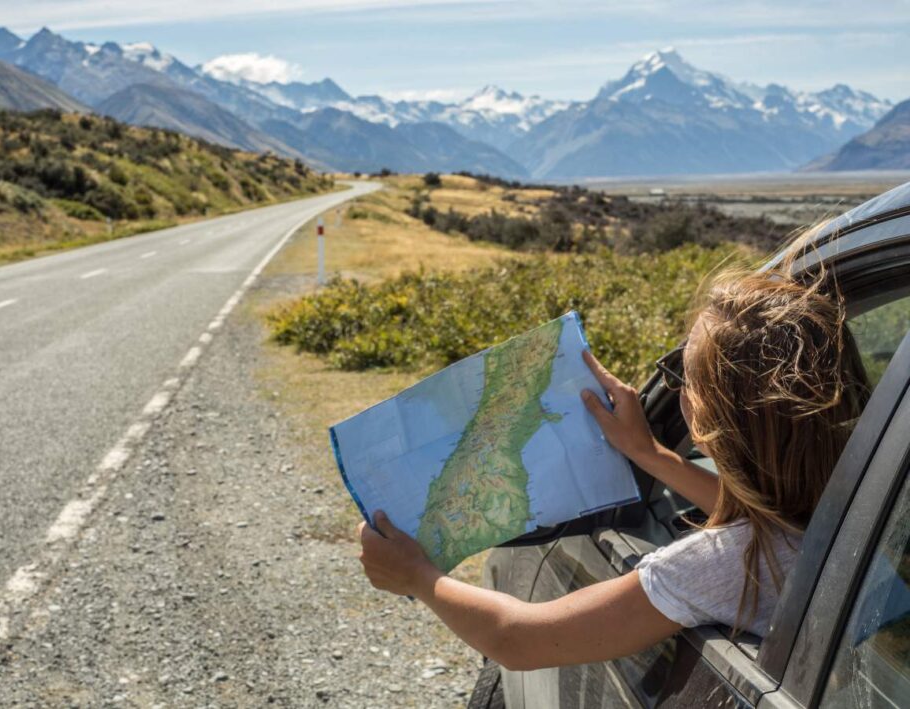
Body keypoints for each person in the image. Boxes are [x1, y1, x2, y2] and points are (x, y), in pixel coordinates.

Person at [356, 264, 870, 671]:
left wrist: (419, 577)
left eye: (682, 377)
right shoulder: (860, 502)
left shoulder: (727, 564)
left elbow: (516, 640)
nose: (676, 390)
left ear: (709, 415)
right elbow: (774, 518)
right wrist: (649, 454)